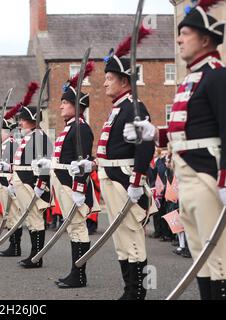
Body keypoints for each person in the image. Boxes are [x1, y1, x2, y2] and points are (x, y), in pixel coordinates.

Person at [126, 2, 226, 300]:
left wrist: (225, 179)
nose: (179, 39)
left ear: (205, 39)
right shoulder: (191, 79)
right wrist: (154, 132)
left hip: (207, 174)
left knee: (217, 256)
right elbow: (188, 131)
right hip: (187, 174)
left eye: (185, 33)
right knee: (201, 255)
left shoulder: (217, 76)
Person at [96, 28, 157, 300]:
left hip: (125, 179)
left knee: (133, 239)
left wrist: (136, 181)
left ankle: (140, 291)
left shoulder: (135, 107)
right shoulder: (118, 108)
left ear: (124, 81)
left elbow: (146, 145)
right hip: (111, 178)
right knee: (121, 240)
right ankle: (129, 290)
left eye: (109, 78)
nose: (105, 83)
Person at [37, 73, 100, 288]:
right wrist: (50, 164)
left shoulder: (81, 127)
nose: (61, 106)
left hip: (73, 186)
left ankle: (79, 274)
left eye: (66, 102)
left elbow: (83, 162)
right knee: (73, 229)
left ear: (77, 106)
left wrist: (79, 189)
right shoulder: (71, 127)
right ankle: (75, 272)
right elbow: (66, 159)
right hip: (65, 184)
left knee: (77, 228)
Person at [6, 101, 53, 269]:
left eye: (23, 119)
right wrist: (12, 181)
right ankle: (34, 255)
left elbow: (45, 164)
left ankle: (37, 256)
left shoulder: (40, 137)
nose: (20, 122)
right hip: (22, 181)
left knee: (35, 219)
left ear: (33, 120)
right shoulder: (29, 137)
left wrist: (40, 185)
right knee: (31, 219)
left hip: (31, 183)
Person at [0, 118, 22, 257]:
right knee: (8, 215)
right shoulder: (3, 145)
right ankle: (13, 245)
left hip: (7, 182)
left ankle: (15, 246)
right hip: (1, 182)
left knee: (13, 215)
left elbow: (14, 167)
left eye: (1, 131)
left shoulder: (11, 144)